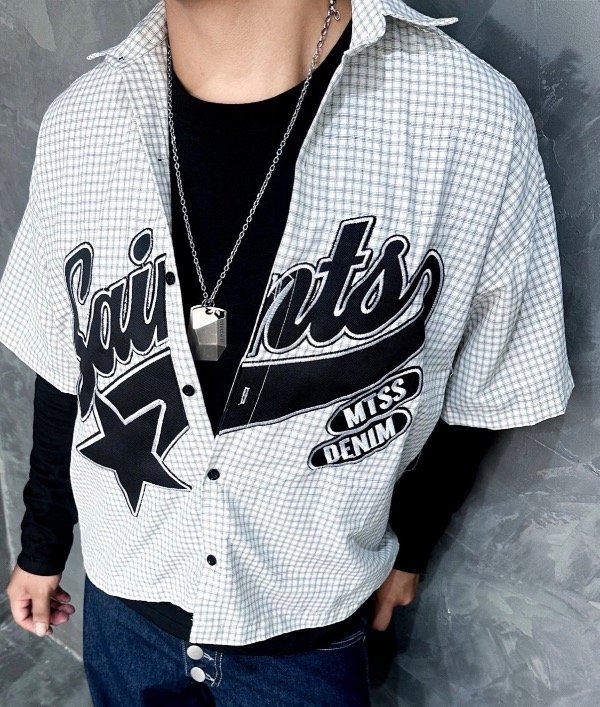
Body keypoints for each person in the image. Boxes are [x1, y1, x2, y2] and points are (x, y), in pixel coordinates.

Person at [0, 0, 573, 704]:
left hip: (304, 628)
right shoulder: (83, 120)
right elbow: (65, 364)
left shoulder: (468, 117)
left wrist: (413, 546)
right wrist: (42, 546)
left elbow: (491, 387)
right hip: (125, 603)